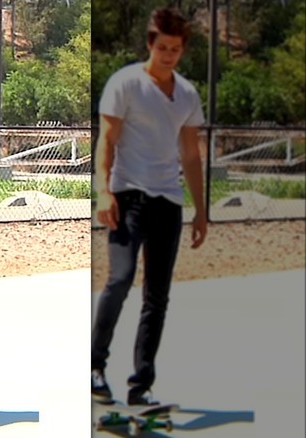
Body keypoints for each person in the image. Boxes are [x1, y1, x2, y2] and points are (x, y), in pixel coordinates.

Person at [91, 7, 207, 407]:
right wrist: (103, 192)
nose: (169, 55)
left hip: (168, 203)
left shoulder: (187, 93)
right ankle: (95, 367)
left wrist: (201, 209)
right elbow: (107, 140)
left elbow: (191, 155)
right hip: (128, 199)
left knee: (158, 295)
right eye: (163, 48)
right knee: (120, 279)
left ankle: (141, 383)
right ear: (150, 45)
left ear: (183, 49)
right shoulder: (126, 84)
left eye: (176, 49)